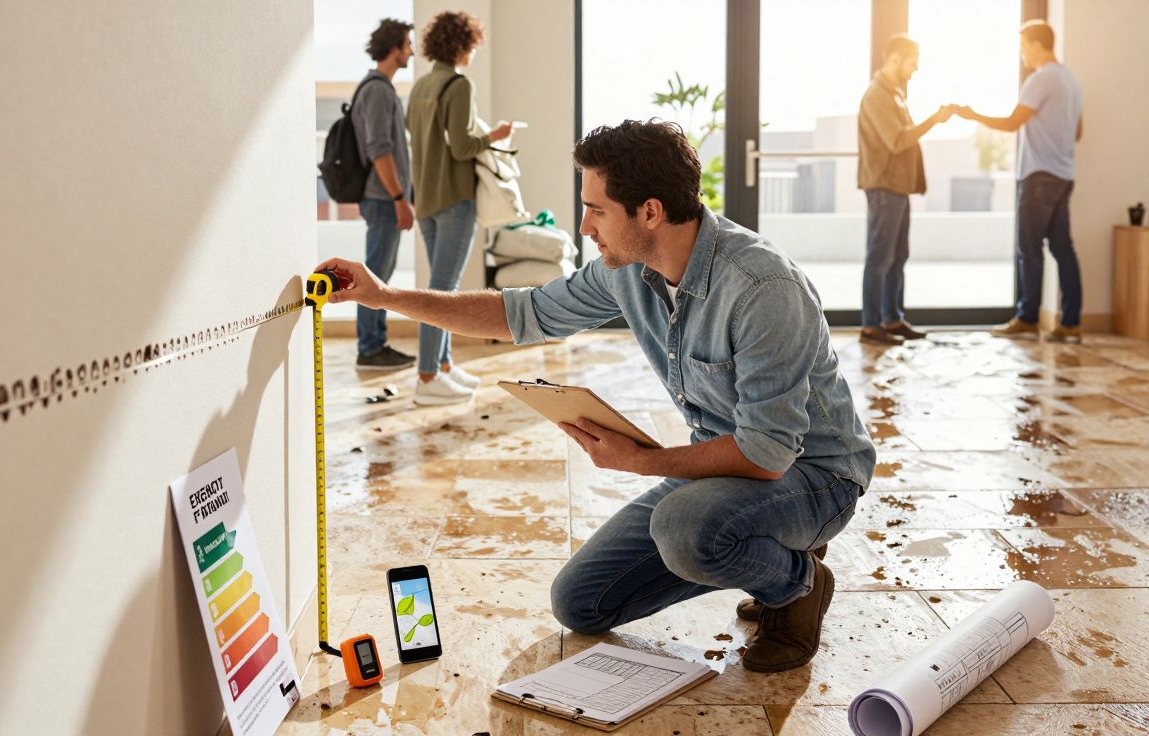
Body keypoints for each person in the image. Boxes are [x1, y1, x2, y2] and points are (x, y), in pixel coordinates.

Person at [316, 120, 876, 672]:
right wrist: (383, 295)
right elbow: (521, 315)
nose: (584, 225)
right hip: (732, 473)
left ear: (649, 212)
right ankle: (766, 551)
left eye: (596, 209)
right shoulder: (629, 269)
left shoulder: (762, 288)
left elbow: (767, 453)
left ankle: (798, 585)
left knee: (684, 528)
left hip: (816, 474)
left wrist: (642, 461)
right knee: (580, 603)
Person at [405, 11, 513, 404]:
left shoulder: (419, 87)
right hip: (454, 199)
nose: (474, 53)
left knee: (440, 284)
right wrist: (496, 135)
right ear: (462, 45)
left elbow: (420, 139)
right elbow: (462, 147)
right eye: (472, 46)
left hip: (426, 199)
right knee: (443, 292)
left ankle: (444, 367)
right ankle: (427, 377)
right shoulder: (458, 84)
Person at [957, 20, 1084, 344]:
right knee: (1063, 249)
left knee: (1029, 248)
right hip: (1063, 175)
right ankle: (1070, 324)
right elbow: (1078, 132)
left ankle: (1028, 318)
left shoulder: (1040, 80)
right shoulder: (1071, 81)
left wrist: (973, 116)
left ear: (1039, 45)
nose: (1023, 54)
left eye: (1025, 46)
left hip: (1038, 176)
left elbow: (1013, 122)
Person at [858, 34, 952, 345]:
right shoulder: (877, 96)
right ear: (895, 59)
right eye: (912, 63)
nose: (915, 70)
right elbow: (898, 140)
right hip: (884, 187)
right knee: (880, 257)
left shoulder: (894, 93)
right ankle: (872, 326)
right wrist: (935, 120)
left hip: (897, 187)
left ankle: (892, 319)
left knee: (897, 255)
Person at [352, 18, 418, 371]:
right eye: (408, 44)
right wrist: (398, 199)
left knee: (380, 276)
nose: (412, 51)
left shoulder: (381, 88)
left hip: (384, 198)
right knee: (374, 278)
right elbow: (380, 150)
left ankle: (375, 344)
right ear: (395, 49)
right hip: (382, 199)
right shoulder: (377, 90)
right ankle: (370, 349)